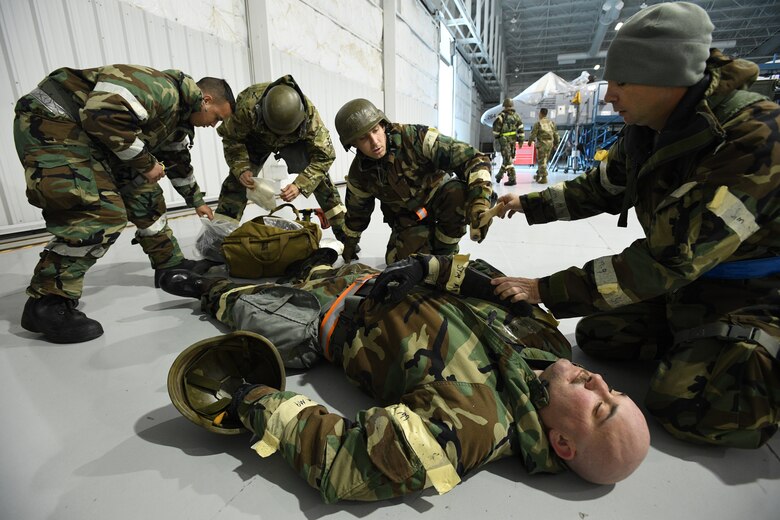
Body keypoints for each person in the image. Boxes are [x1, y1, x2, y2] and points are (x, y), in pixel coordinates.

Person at [493, 2, 780, 448]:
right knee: (596, 335)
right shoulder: (649, 130)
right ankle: (701, 346)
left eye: (622, 82)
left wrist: (543, 289)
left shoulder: (753, 138)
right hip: (687, 281)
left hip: (754, 293)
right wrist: (527, 204)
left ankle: (747, 348)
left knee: (691, 410)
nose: (609, 95)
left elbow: (669, 258)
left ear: (670, 78)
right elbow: (602, 186)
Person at [159, 253, 650, 502]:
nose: (600, 384)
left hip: (325, 320)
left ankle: (212, 286)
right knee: (300, 259)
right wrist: (424, 266)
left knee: (238, 300)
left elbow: (346, 466)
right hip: (371, 276)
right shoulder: (551, 344)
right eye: (617, 391)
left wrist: (251, 399)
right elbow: (483, 276)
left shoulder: (478, 419)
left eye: (602, 409)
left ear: (562, 443)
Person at [13, 64, 235, 344]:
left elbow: (178, 162)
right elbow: (99, 115)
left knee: (146, 195)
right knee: (97, 214)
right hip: (54, 124)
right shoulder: (162, 90)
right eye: (216, 118)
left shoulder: (177, 120)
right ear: (206, 100)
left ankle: (169, 266)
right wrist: (146, 162)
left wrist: (198, 202)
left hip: (93, 139)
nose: (213, 126)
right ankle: (46, 302)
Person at [334, 98, 494, 264]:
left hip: (440, 202)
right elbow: (356, 214)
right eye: (363, 139)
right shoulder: (359, 174)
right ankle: (427, 250)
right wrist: (349, 244)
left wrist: (480, 200)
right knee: (399, 264)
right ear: (352, 143)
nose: (374, 142)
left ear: (383, 125)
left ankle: (446, 254)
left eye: (375, 130)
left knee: (457, 193)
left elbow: (474, 158)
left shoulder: (417, 138)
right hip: (409, 218)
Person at [215, 75, 347, 241]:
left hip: (294, 142)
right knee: (236, 183)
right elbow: (231, 138)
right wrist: (241, 168)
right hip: (257, 139)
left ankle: (345, 236)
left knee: (321, 183)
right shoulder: (246, 107)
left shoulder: (311, 119)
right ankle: (216, 240)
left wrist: (300, 184)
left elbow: (325, 157)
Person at [492, 97, 524, 186]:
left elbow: (495, 130)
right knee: (508, 159)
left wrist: (497, 138)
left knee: (507, 159)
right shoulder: (516, 116)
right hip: (513, 142)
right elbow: (521, 129)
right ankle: (500, 175)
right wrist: (521, 140)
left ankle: (512, 178)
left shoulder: (501, 116)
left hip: (504, 142)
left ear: (504, 106)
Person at [526, 107, 559, 184]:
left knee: (541, 161)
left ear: (540, 113)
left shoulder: (538, 123)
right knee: (544, 160)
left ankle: (544, 177)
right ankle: (538, 175)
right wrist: (556, 143)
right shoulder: (552, 123)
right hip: (550, 144)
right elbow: (556, 134)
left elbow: (533, 134)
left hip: (542, 144)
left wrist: (530, 141)